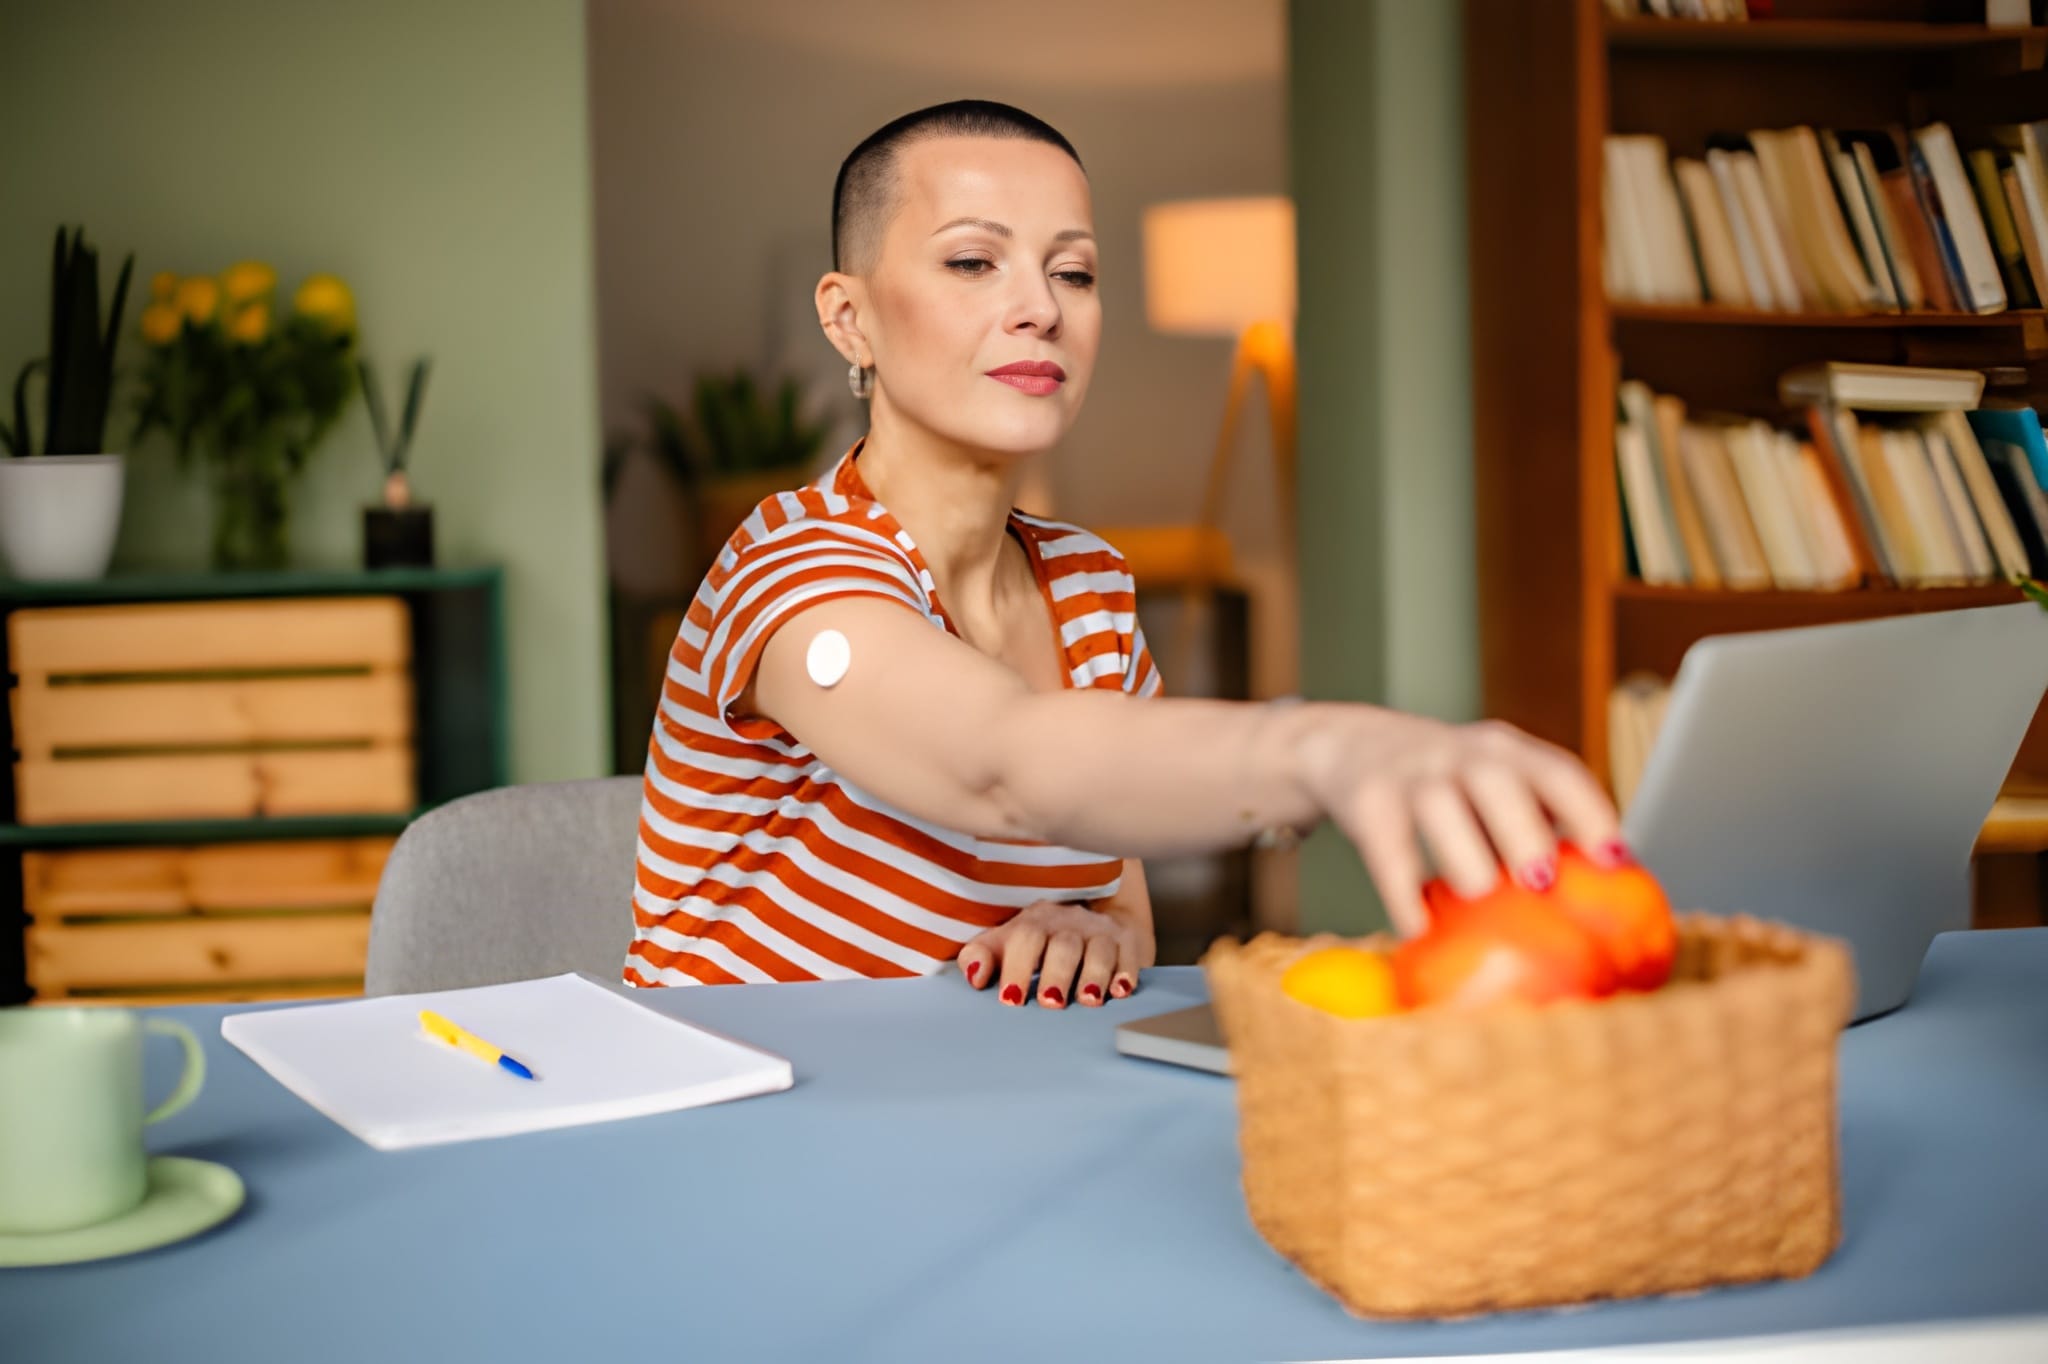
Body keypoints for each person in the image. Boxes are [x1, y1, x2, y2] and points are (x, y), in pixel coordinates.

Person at [625, 99, 1623, 1006]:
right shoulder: (793, 566)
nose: (1040, 308)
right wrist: (1328, 747)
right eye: (973, 262)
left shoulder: (1085, 585)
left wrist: (1089, 930)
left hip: (980, 1117)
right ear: (849, 318)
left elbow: (1126, 904)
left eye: (1072, 270)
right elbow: (1006, 765)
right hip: (743, 1123)